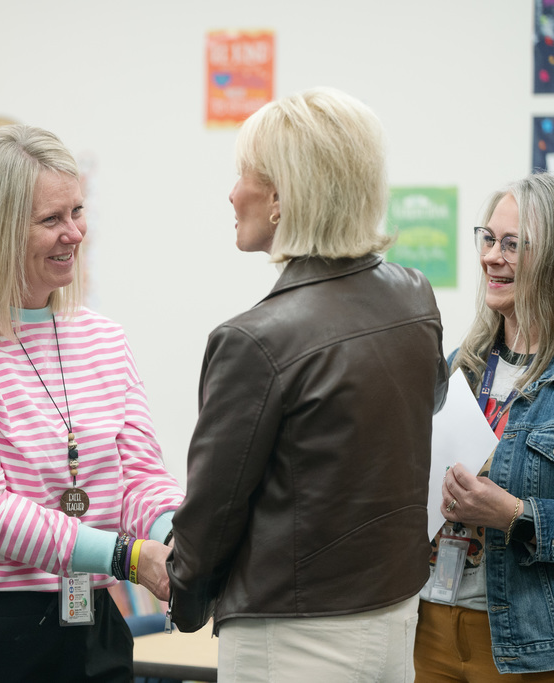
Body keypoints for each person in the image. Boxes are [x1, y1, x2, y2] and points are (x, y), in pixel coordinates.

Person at [0, 124, 184, 681]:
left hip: (83, 619)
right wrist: (129, 558)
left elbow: (139, 474)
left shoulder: (103, 339)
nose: (74, 233)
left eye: (77, 211)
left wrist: (176, 536)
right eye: (51, 220)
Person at [164, 87, 448, 682]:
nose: (232, 190)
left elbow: (215, 509)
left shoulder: (256, 340)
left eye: (243, 173)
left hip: (294, 635)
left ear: (278, 198)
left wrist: (184, 598)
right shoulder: (414, 295)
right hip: (395, 613)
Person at [415, 172, 554, 680]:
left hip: (523, 644)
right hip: (428, 621)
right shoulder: (462, 366)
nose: (492, 257)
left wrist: (515, 515)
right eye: (489, 238)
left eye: (513, 244)